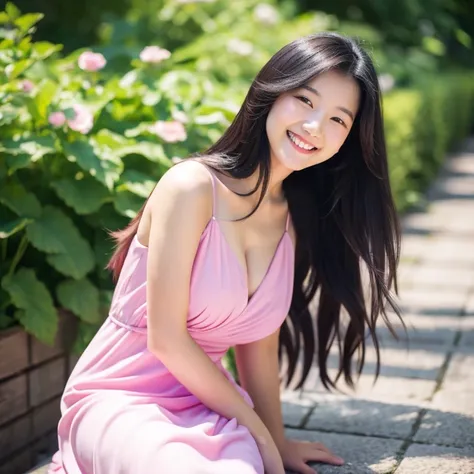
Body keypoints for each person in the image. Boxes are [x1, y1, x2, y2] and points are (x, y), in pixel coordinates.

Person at [49, 32, 402, 474]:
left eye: (338, 120)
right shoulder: (192, 187)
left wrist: (276, 440)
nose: (315, 127)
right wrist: (255, 428)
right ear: (271, 93)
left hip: (205, 406)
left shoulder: (292, 215)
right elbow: (167, 338)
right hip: (121, 397)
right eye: (305, 100)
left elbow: (259, 341)